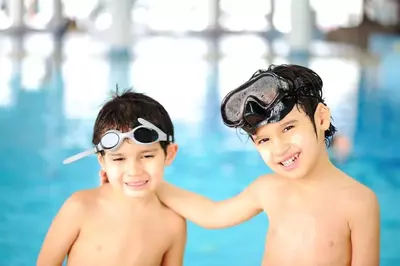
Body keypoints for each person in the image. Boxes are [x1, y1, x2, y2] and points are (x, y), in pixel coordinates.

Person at [153, 65, 380, 266]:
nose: (279, 148)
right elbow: (213, 214)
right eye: (264, 140)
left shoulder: (359, 202)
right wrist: (153, 184)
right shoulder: (268, 189)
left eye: (288, 128)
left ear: (321, 118)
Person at [37, 89, 186, 266]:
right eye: (119, 158)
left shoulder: (172, 224)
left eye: (147, 156)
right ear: (103, 161)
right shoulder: (80, 207)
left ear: (169, 154)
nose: (134, 171)